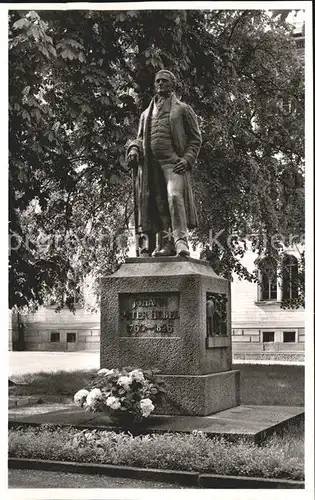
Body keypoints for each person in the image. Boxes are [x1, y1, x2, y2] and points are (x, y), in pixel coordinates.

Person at [126, 69, 202, 257]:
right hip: (152, 166)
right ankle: (167, 243)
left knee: (175, 197)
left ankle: (181, 241)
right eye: (157, 81)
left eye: (164, 81)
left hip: (173, 163)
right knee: (159, 204)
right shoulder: (145, 114)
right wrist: (134, 149)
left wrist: (187, 160)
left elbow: (195, 139)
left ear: (172, 84)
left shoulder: (183, 109)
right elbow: (139, 139)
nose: (160, 83)